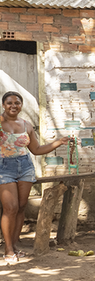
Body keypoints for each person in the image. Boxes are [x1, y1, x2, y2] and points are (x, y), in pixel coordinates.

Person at [1, 91, 69, 264]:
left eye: (17, 103)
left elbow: (36, 150)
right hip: (4, 167)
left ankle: (15, 245)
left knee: (21, 207)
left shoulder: (27, 125)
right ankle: (8, 249)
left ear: (21, 106)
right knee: (10, 207)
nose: (13, 106)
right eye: (9, 103)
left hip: (25, 166)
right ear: (3, 105)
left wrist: (58, 143)